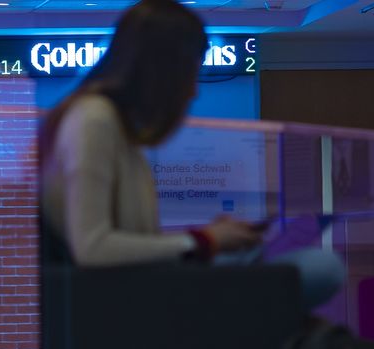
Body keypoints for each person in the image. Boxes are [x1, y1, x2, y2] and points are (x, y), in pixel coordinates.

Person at [39, 0, 343, 307]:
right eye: (191, 76)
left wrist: (212, 238)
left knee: (298, 263)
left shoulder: (113, 126)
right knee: (322, 268)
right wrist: (204, 241)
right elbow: (92, 247)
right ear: (163, 74)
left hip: (145, 282)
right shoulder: (95, 121)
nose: (193, 91)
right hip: (132, 296)